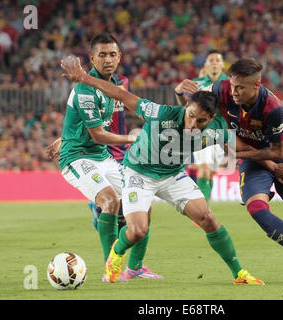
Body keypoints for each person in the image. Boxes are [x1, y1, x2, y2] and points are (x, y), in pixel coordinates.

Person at [61, 56, 265, 285]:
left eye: (200, 121)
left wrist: (274, 164)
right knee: (137, 231)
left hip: (172, 175)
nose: (192, 125)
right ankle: (116, 254)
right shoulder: (161, 113)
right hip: (138, 173)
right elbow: (120, 95)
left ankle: (239, 273)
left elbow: (244, 149)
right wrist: (84, 78)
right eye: (190, 116)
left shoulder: (216, 129)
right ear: (185, 106)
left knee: (207, 218)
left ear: (211, 119)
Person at [175, 58, 283, 276]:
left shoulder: (273, 107)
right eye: (232, 86)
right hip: (253, 160)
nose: (234, 92)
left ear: (256, 86)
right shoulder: (221, 90)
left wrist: (238, 153)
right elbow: (191, 107)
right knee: (256, 209)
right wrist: (179, 91)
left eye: (240, 88)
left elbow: (277, 152)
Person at [46, 33, 162, 282]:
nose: (108, 59)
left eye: (112, 54)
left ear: (119, 57)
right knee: (110, 200)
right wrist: (135, 139)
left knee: (145, 201)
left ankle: (136, 267)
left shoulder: (115, 86)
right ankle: (113, 269)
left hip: (102, 156)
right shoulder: (85, 89)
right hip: (77, 157)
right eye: (102, 55)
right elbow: (98, 135)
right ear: (91, 58)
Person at [175, 49, 229, 207]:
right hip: (203, 130)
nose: (214, 63)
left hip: (222, 131)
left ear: (222, 65)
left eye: (217, 60)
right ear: (205, 65)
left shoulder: (229, 84)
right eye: (210, 60)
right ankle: (202, 211)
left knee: (210, 173)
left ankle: (205, 207)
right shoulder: (196, 84)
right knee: (204, 169)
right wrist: (178, 94)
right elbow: (185, 106)